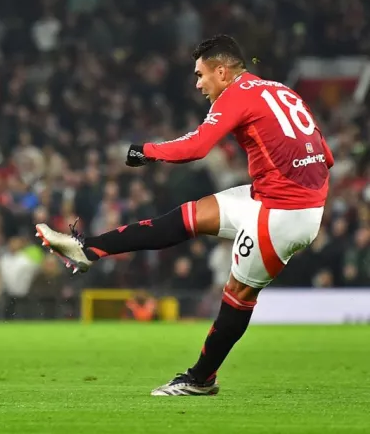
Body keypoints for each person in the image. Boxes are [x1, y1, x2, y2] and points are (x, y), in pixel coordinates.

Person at [36, 35, 333, 396]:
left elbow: (197, 147)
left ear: (222, 72)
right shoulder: (277, 89)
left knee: (238, 293)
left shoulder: (237, 95)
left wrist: (142, 151)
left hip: (283, 212)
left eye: (200, 75)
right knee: (189, 217)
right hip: (278, 198)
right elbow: (325, 156)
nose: (198, 84)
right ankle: (89, 250)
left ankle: (201, 378)